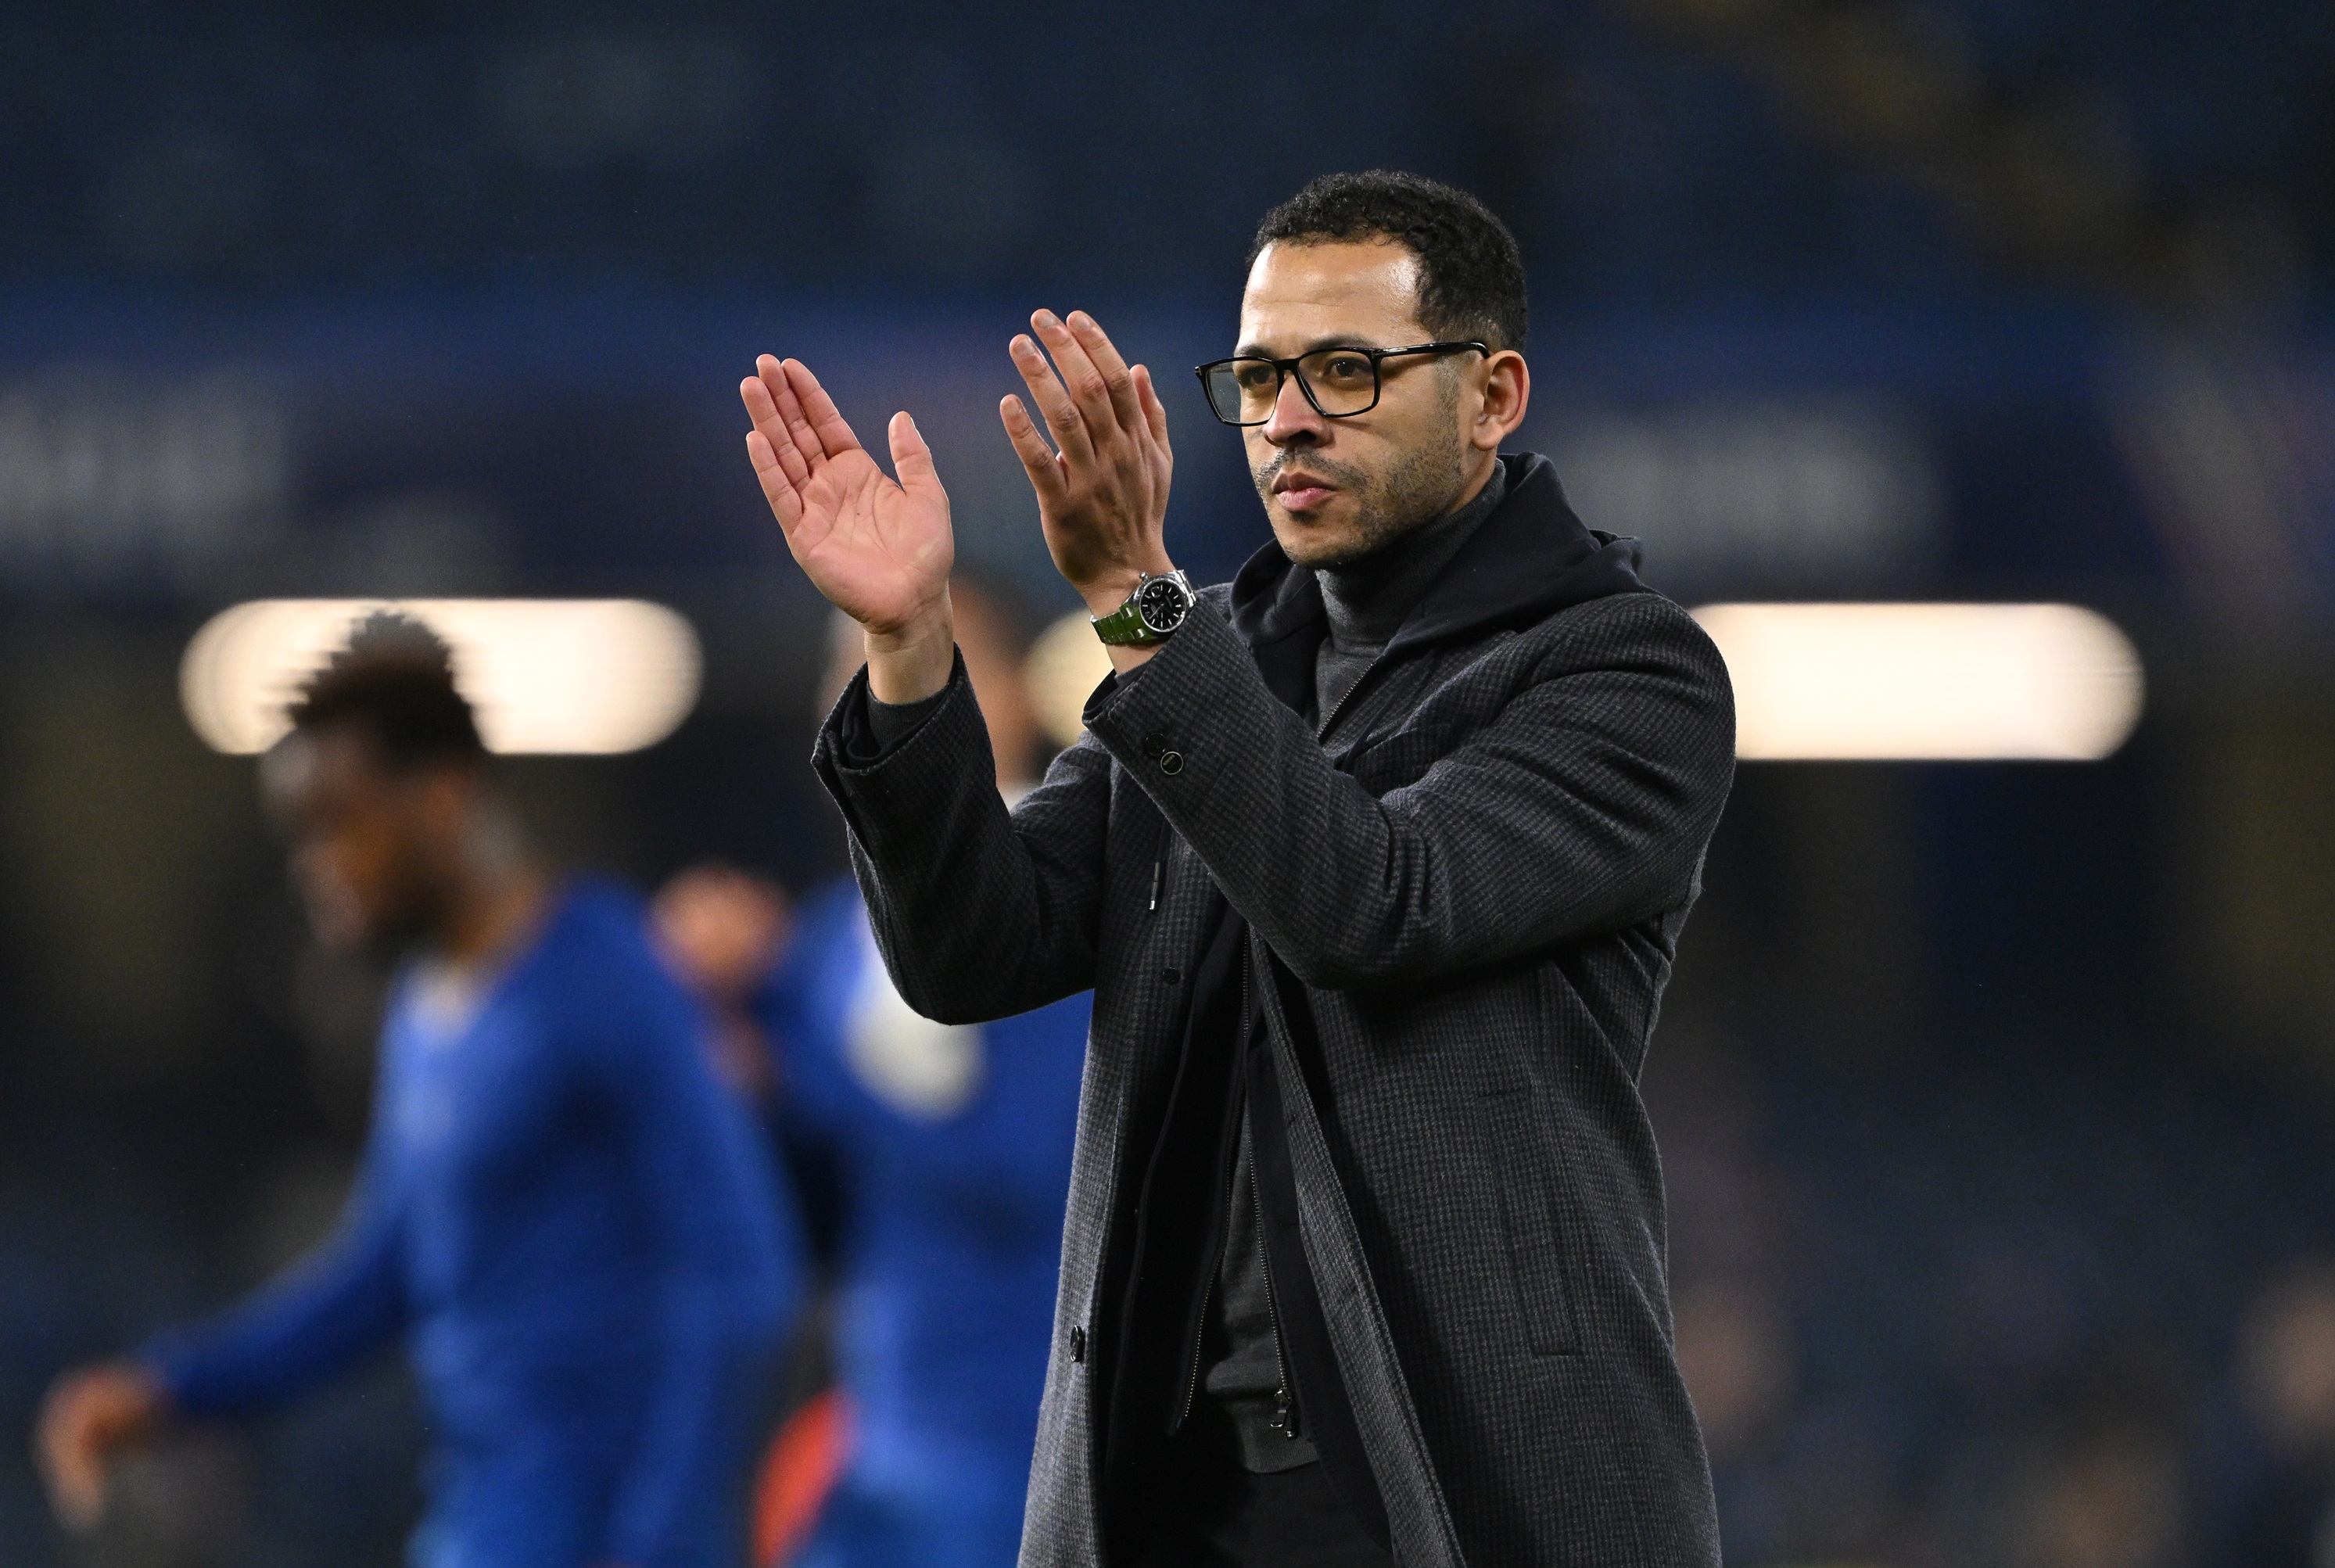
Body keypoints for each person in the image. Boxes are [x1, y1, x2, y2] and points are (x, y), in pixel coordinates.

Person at [739, 170, 1737, 1566]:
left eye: (1345, 371)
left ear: (1494, 395)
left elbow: (1371, 906)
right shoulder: (1225, 652)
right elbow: (975, 952)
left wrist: (1132, 600)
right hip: (1176, 1493)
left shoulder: (1620, 672)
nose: (1287, 421)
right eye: (1260, 377)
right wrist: (910, 650)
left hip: (1456, 1494)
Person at [36, 615, 800, 1568]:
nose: (316, 869)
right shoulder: (421, 1008)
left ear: (442, 797)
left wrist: (666, 1538)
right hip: (484, 1511)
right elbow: (388, 1267)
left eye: (340, 824)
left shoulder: (605, 970)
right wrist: (174, 1389)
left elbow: (745, 1277)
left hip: (601, 1525)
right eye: (301, 838)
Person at [655, 583, 1090, 1568]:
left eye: (930, 663)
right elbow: (797, 1218)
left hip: (1035, 1452)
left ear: (1017, 694)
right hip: (878, 1458)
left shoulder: (1077, 907)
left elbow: (1034, 1171)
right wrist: (731, 1065)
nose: (884, 697)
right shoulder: (819, 949)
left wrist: (798, 1065)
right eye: (853, 672)